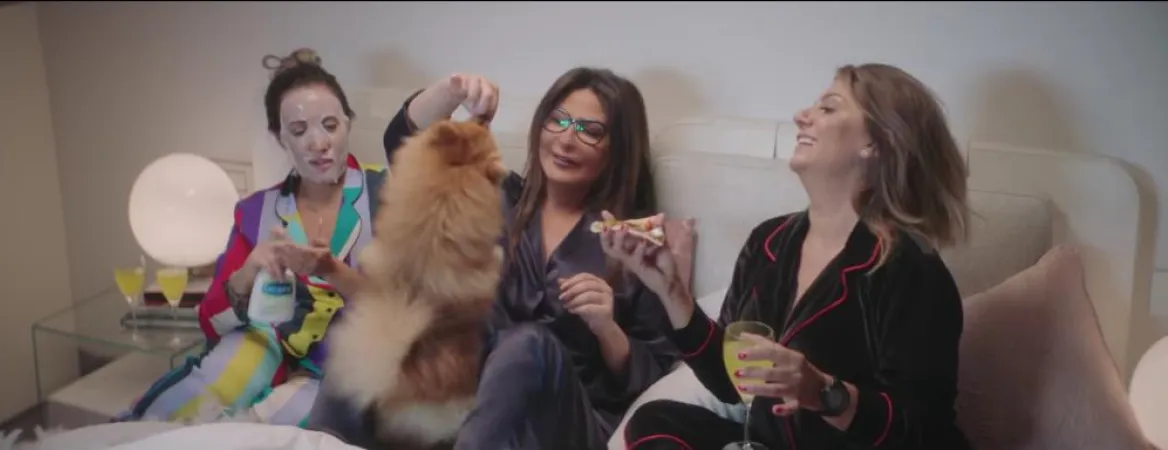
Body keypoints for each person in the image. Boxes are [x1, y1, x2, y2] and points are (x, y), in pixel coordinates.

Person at [306, 68, 680, 450]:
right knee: (368, 320)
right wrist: (451, 91)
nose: (566, 139)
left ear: (618, 148)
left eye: (590, 130)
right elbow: (403, 142)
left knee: (528, 344)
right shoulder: (495, 197)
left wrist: (607, 328)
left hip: (567, 424)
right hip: (472, 409)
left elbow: (657, 376)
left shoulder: (633, 241)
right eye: (558, 120)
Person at [610, 63, 973, 450]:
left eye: (828, 108)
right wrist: (672, 291)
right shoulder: (770, 241)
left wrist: (824, 392)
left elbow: (923, 430)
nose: (801, 116)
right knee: (655, 423)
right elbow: (732, 383)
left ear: (874, 143)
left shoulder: (910, 268)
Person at [119, 48, 386, 426]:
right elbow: (213, 322)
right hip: (264, 342)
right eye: (299, 131)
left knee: (267, 431)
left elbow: (409, 307)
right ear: (280, 139)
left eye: (330, 125)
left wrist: (332, 270)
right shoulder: (256, 211)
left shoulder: (388, 196)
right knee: (180, 407)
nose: (318, 142)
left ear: (348, 124)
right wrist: (248, 271)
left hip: (349, 361)